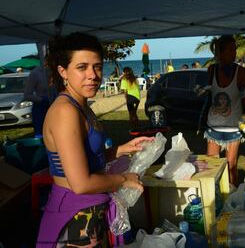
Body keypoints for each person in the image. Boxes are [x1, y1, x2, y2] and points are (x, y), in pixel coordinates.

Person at [37, 32, 153, 246]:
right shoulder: (66, 111)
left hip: (89, 211)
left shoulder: (81, 106)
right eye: (82, 67)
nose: (93, 75)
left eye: (97, 66)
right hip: (74, 217)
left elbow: (86, 159)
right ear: (63, 71)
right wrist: (124, 179)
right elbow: (80, 183)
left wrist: (119, 150)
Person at [205, 35, 245, 186]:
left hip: (233, 128)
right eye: (231, 50)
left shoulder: (240, 71)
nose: (234, 53)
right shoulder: (211, 70)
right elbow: (209, 92)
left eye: (235, 49)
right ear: (220, 52)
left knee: (231, 166)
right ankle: (214, 196)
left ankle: (231, 196)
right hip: (213, 126)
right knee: (211, 166)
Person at [24, 65, 52, 137]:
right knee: (42, 136)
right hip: (41, 108)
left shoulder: (60, 70)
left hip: (58, 106)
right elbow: (27, 95)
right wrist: (42, 99)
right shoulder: (36, 73)